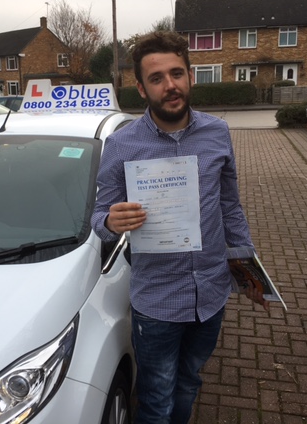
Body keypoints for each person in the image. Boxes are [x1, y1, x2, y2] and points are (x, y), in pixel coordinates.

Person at [90, 30, 267, 423]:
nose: (170, 85)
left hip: (211, 295)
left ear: (189, 75)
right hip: (157, 303)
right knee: (155, 398)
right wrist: (109, 221)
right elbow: (100, 221)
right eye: (157, 78)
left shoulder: (217, 133)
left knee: (188, 382)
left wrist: (248, 269)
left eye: (177, 73)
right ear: (141, 88)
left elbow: (230, 207)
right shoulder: (122, 146)